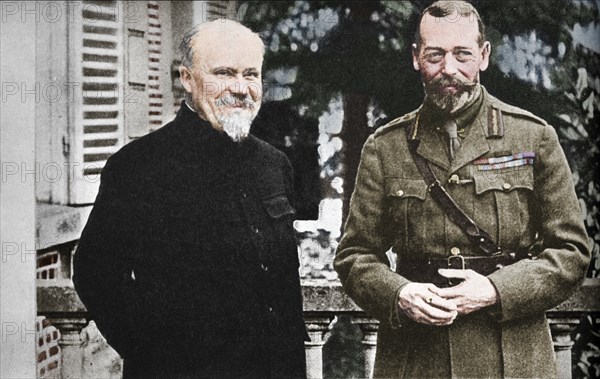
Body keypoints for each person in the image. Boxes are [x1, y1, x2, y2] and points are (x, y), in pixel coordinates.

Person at [334, 1, 590, 378]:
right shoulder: (385, 147)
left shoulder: (533, 137)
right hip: (416, 357)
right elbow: (354, 256)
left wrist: (495, 289)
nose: (448, 69)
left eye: (462, 54)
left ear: (483, 56)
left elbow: (571, 251)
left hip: (512, 356)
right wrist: (400, 294)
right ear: (416, 58)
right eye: (435, 55)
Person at [73, 19, 307, 379]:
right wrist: (156, 355)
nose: (241, 89)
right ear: (187, 79)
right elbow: (95, 273)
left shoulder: (275, 166)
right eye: (224, 74)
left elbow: (284, 292)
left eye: (251, 74)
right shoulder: (137, 167)